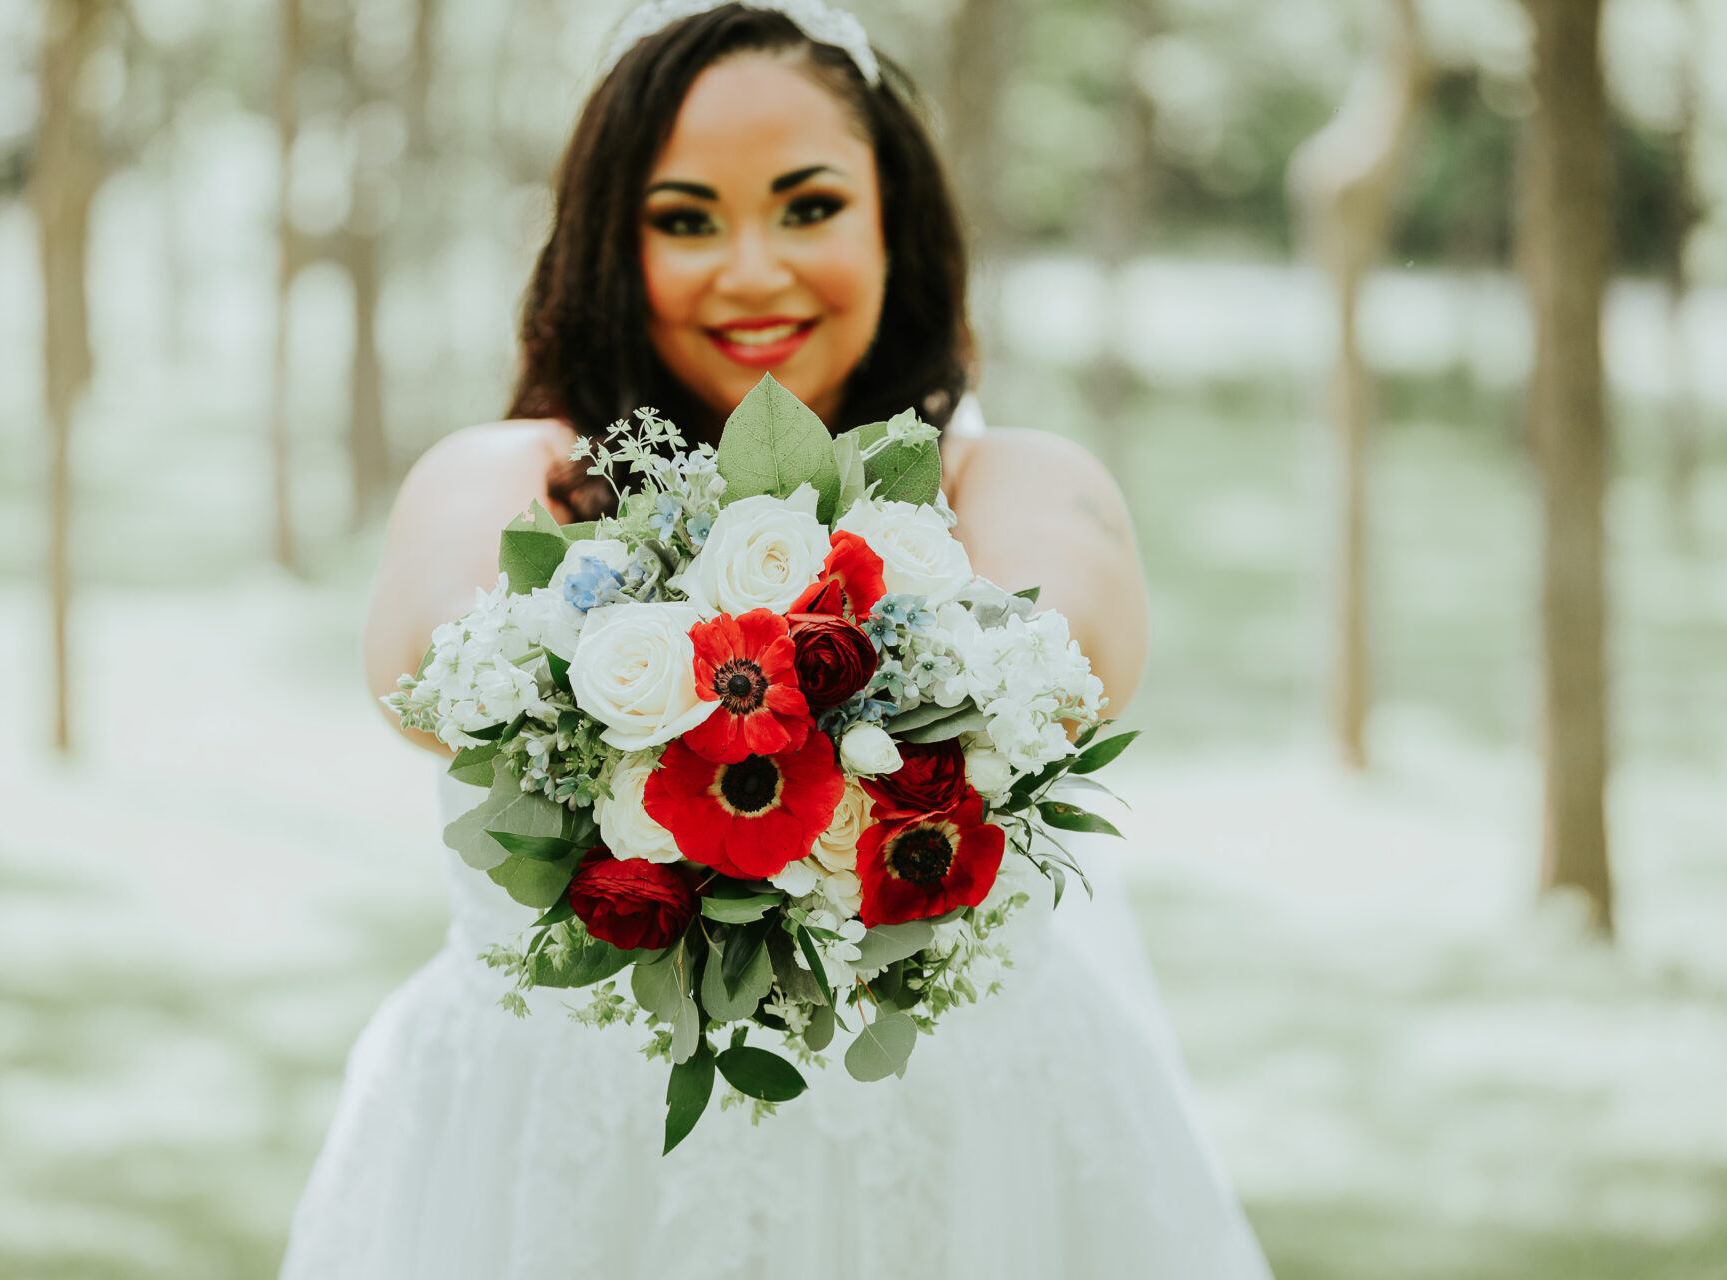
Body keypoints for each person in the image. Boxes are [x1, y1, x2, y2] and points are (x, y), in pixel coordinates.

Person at [283, 5, 1271, 1277]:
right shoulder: (501, 474)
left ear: (893, 225)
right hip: (551, 1166)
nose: (751, 269)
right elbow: (432, 665)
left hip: (965, 1167)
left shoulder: (1021, 480)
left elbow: (1057, 655)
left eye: (808, 207)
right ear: (607, 242)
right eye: (685, 219)